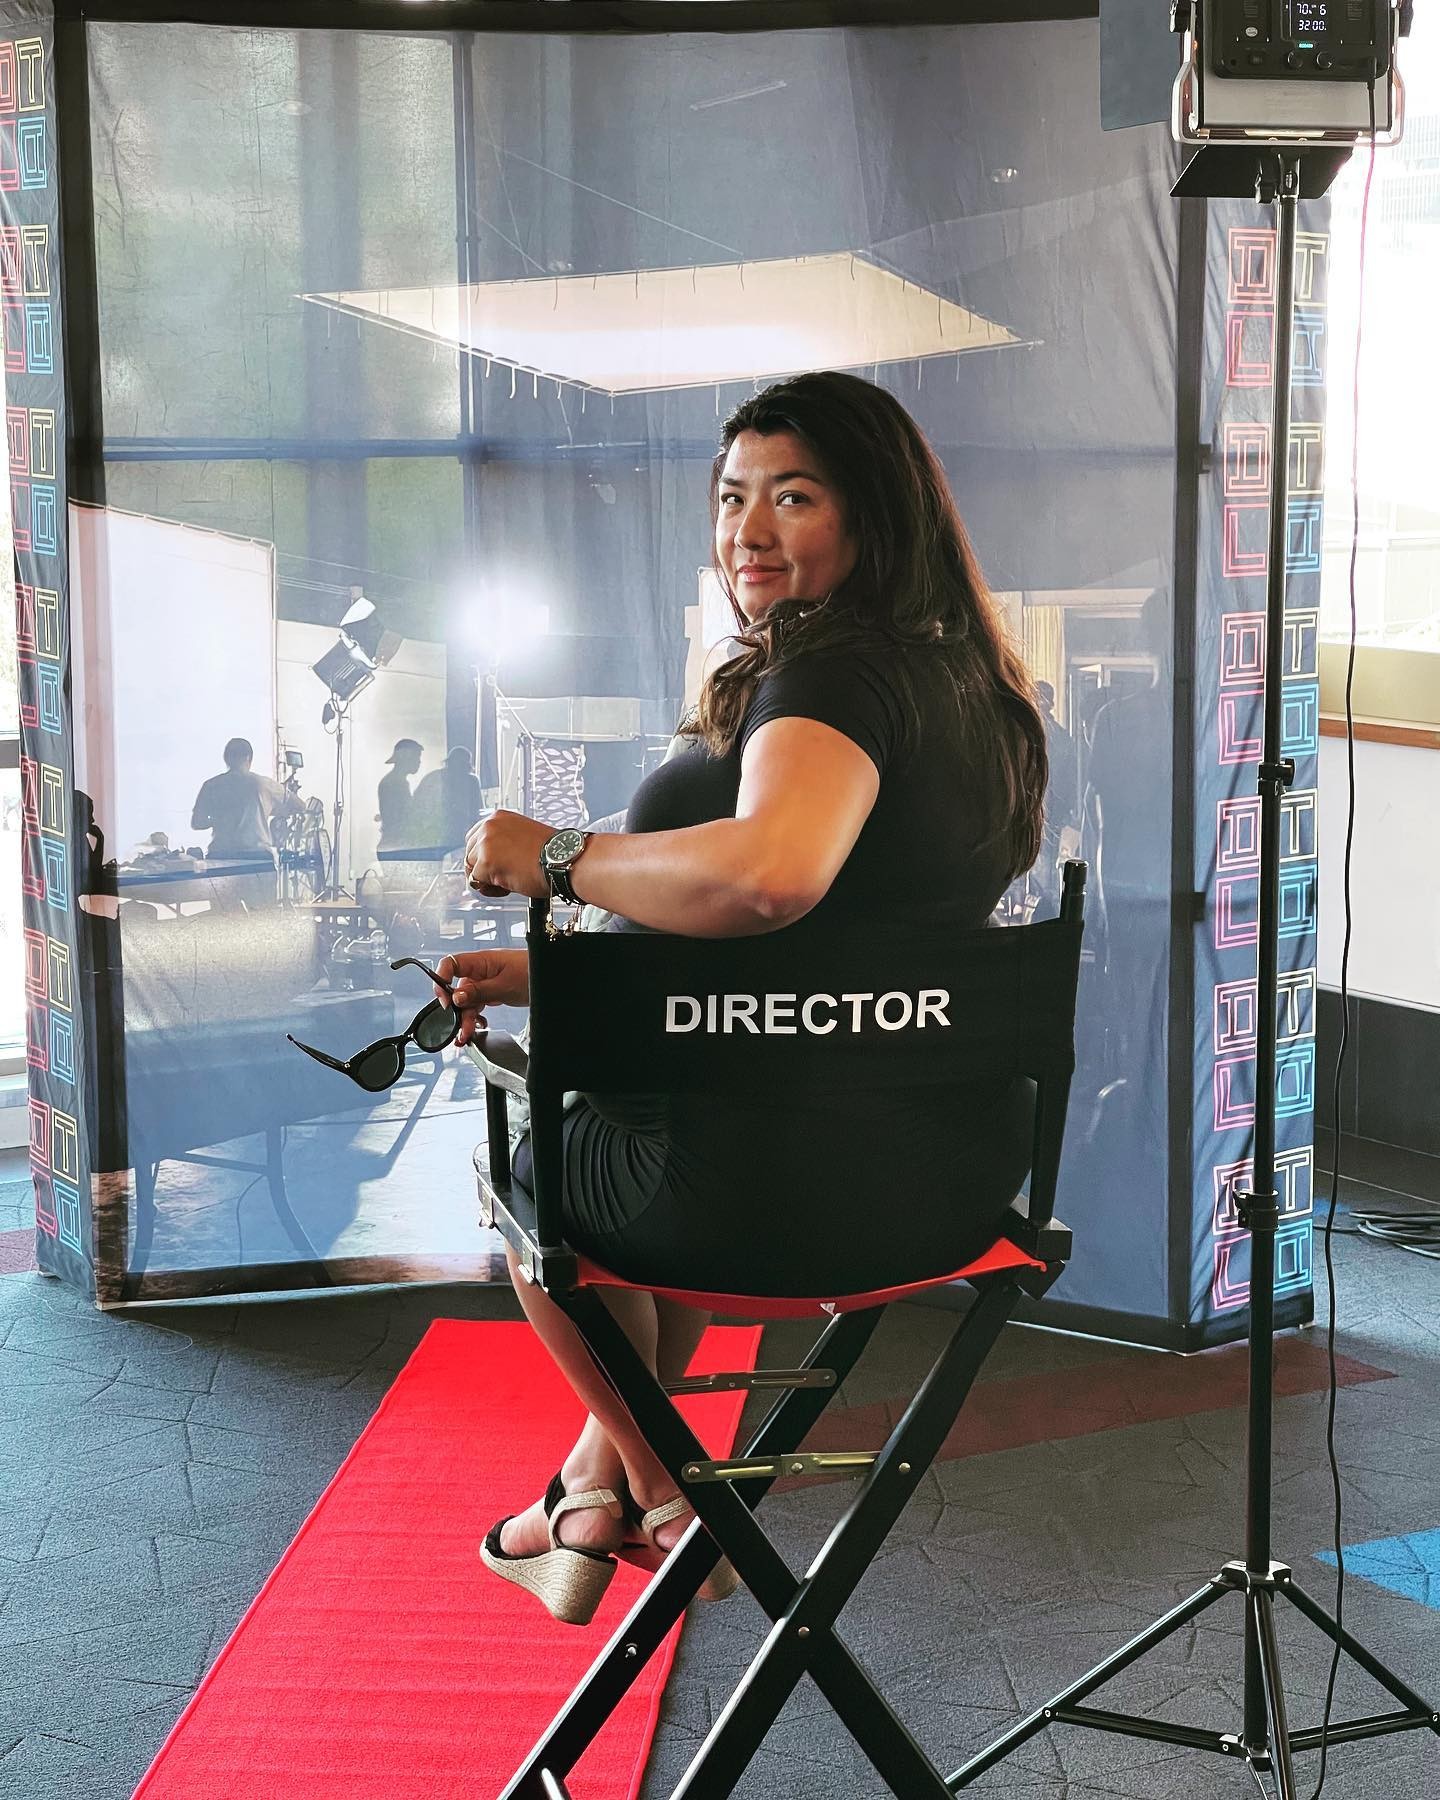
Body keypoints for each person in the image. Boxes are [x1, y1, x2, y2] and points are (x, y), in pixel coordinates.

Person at [438, 371, 1048, 1622]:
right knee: (648, 1132)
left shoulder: (834, 674)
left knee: (538, 1176)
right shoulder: (971, 689)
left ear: (874, 515)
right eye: (731, 497)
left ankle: (670, 1500)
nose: (748, 531)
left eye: (794, 497)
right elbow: (833, 956)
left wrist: (556, 857)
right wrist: (563, 977)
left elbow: (771, 881)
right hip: (947, 1182)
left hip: (770, 1187)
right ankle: (584, 1493)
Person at [190, 737, 296, 909]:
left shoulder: (211, 785)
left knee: (226, 920)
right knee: (263, 918)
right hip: (256, 859)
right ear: (249, 758)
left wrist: (220, 817)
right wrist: (269, 810)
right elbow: (300, 806)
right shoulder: (262, 783)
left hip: (221, 859)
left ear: (226, 758)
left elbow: (197, 823)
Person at [413, 745, 483, 853]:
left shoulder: (472, 781)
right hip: (436, 835)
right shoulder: (434, 779)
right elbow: (417, 805)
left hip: (459, 835)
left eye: (461, 765)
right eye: (457, 764)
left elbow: (476, 811)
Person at [375, 738, 423, 854]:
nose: (419, 762)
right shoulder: (394, 783)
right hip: (395, 847)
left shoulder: (396, 781)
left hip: (393, 845)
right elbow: (399, 817)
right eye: (416, 757)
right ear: (405, 757)